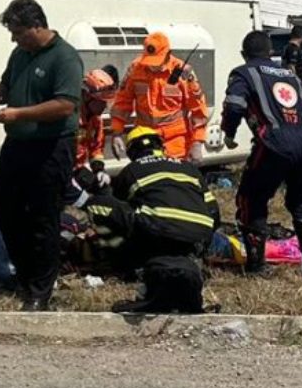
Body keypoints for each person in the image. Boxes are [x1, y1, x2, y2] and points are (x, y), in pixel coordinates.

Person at [0, 0, 83, 311]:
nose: (14, 39)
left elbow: (65, 105)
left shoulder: (64, 58)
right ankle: (25, 274)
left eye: (19, 32)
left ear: (37, 26)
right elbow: (10, 87)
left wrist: (18, 113)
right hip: (18, 144)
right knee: (2, 205)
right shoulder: (20, 54)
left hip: (51, 146)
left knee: (43, 215)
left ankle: (41, 288)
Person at [79, 127, 219, 314]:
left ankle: (119, 260)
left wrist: (97, 194)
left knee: (98, 204)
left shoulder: (131, 170)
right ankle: (192, 257)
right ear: (161, 146)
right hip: (197, 235)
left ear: (132, 151)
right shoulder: (189, 168)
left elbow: (120, 209)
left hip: (157, 232)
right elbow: (214, 211)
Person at [219, 30, 302, 277]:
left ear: (244, 54)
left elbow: (235, 104)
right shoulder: (291, 75)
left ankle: (256, 266)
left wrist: (229, 133)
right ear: (271, 53)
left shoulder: (243, 72)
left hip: (275, 142)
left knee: (250, 199)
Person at [108, 31, 209, 162]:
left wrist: (197, 143)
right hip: (145, 140)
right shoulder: (135, 68)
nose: (152, 66)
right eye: (149, 60)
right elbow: (122, 102)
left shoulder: (183, 72)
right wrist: (116, 133)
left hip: (176, 143)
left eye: (156, 61)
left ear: (168, 53)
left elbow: (198, 109)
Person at [75, 68, 117, 169]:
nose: (104, 107)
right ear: (86, 96)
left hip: (78, 169)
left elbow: (96, 148)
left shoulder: (96, 121)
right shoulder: (70, 119)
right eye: (101, 102)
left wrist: (99, 170)